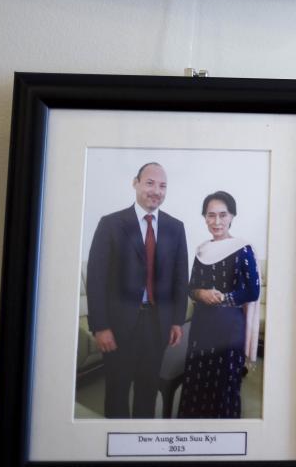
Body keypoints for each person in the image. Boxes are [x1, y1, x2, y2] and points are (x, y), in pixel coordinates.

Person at [86, 162, 189, 418]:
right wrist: (100, 326)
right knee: (117, 392)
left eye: (163, 185)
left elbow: (179, 280)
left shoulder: (176, 228)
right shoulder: (111, 224)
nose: (156, 190)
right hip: (119, 326)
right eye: (150, 183)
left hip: (158, 325)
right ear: (136, 183)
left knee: (148, 390)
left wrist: (176, 321)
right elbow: (96, 280)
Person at [178, 191, 261, 419]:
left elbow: (252, 291)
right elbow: (191, 287)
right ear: (204, 217)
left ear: (232, 216)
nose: (216, 222)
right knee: (198, 381)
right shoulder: (202, 251)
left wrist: (223, 297)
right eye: (211, 215)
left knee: (224, 383)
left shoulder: (242, 249)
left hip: (228, 327)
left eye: (222, 215)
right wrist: (200, 293)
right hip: (202, 326)